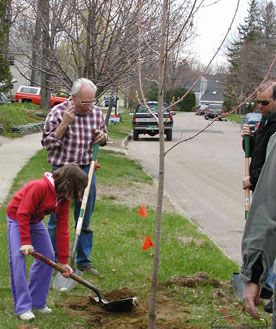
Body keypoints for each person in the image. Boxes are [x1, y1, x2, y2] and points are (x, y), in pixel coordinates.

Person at [41, 78, 108, 276]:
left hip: (86, 169)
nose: (89, 106)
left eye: (92, 101)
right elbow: (46, 143)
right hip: (62, 170)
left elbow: (104, 135)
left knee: (84, 217)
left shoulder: (96, 113)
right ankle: (54, 261)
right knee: (56, 217)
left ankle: (83, 261)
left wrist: (103, 138)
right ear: (73, 98)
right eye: (84, 102)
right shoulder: (58, 112)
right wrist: (64, 124)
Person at [6, 164, 88, 321]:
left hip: (35, 221)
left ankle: (37, 302)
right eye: (77, 189)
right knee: (18, 259)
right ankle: (23, 307)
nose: (78, 194)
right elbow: (22, 213)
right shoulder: (40, 187)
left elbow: (62, 228)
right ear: (68, 184)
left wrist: (63, 261)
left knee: (48, 256)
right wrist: (25, 242)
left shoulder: (63, 198)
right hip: (17, 218)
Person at [241, 80, 276, 309]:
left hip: (265, 189)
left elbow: (267, 220)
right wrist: (249, 140)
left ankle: (269, 286)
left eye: (264, 102)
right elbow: (260, 153)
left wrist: (253, 180)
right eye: (257, 102)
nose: (259, 106)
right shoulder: (266, 122)